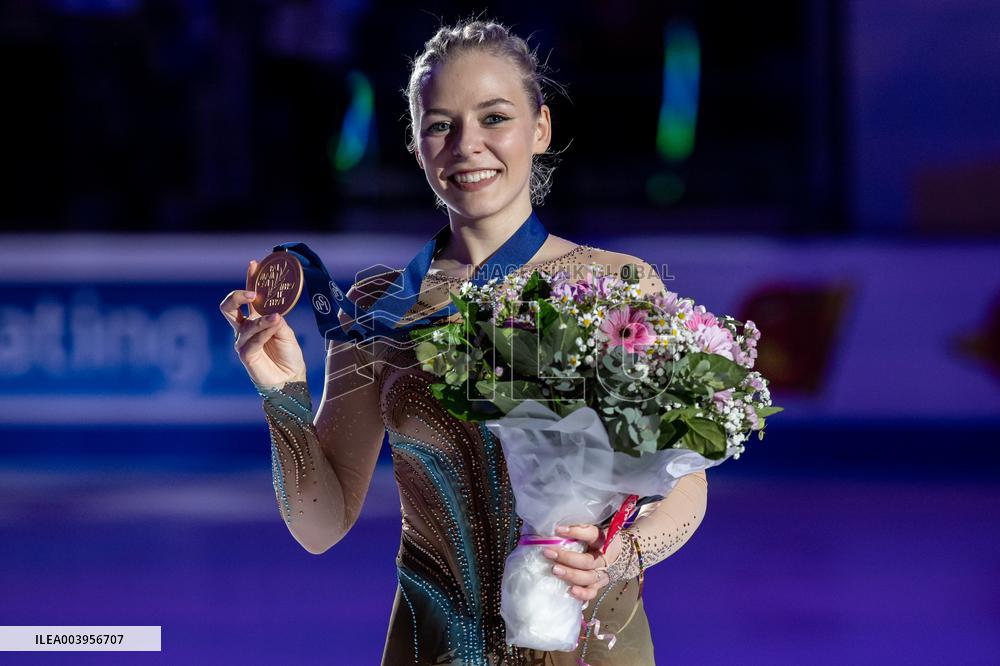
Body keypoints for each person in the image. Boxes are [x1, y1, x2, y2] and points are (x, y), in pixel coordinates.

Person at [219, 18, 708, 666]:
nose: (467, 145)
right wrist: (281, 393)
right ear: (417, 146)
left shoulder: (617, 284)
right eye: (441, 124)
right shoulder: (378, 309)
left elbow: (685, 491)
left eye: (494, 117)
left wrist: (625, 554)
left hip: (593, 648)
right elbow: (319, 525)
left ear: (541, 129)